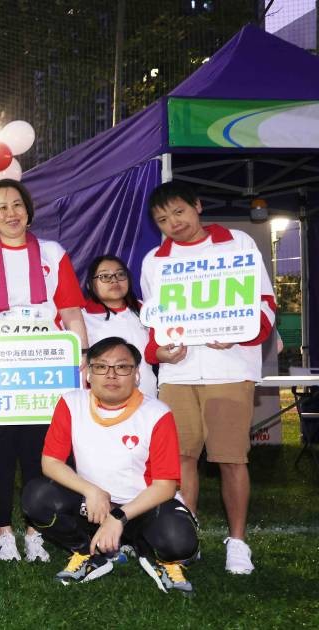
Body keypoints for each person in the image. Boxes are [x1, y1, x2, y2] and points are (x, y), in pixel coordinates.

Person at [0, 179, 88, 563]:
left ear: (28, 209)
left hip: (45, 375)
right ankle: (3, 533)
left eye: (16, 205)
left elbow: (71, 312)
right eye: (1, 208)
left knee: (40, 454)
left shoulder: (53, 254)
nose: (11, 213)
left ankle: (35, 532)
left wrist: (82, 354)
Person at [139, 181, 275, 575]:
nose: (173, 223)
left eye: (178, 212)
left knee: (231, 458)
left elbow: (265, 305)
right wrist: (159, 352)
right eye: (162, 219)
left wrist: (239, 333)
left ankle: (238, 542)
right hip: (178, 374)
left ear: (197, 206)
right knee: (181, 459)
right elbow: (154, 323)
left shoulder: (237, 244)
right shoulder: (155, 261)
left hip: (229, 368)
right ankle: (187, 538)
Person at [22, 337, 198, 595]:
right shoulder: (71, 403)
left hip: (142, 508)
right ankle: (89, 553)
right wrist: (92, 491)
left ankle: (158, 557)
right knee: (37, 497)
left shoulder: (157, 413)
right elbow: (50, 462)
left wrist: (119, 517)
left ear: (136, 374)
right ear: (88, 374)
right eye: (101, 366)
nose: (111, 374)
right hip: (94, 508)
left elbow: (166, 486)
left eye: (122, 367)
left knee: (178, 541)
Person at [82, 255, 157, 399]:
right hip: (102, 400)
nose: (114, 280)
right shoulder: (81, 316)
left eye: (120, 274)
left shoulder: (144, 309)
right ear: (90, 284)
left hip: (146, 396)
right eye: (105, 276)